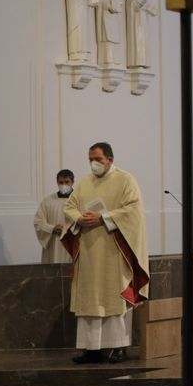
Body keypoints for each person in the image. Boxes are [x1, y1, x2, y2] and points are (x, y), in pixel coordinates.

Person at [62, 142, 149, 364]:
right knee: (89, 300)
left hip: (113, 250)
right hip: (89, 252)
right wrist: (79, 218)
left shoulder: (125, 180)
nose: (93, 164)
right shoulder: (84, 183)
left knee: (114, 297)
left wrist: (103, 217)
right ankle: (91, 349)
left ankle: (119, 347)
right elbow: (69, 207)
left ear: (109, 159)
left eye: (98, 159)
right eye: (90, 159)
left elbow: (134, 210)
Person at [34, 169, 74, 264]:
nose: (64, 185)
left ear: (72, 182)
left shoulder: (79, 199)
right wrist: (52, 228)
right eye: (61, 182)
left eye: (67, 182)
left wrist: (71, 229)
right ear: (57, 182)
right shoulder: (48, 201)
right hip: (54, 242)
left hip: (72, 241)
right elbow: (38, 222)